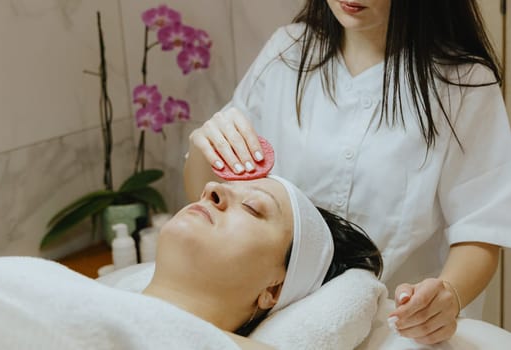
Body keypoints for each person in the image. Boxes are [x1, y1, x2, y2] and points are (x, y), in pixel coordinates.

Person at [184, 0, 511, 345]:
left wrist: (448, 294)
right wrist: (203, 145)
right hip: (281, 316)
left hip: (396, 324)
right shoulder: (288, 52)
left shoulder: (462, 82)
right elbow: (206, 189)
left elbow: (480, 225)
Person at [0, 176, 382, 350]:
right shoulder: (70, 286)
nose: (212, 189)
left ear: (273, 290)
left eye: (253, 207)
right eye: (222, 184)